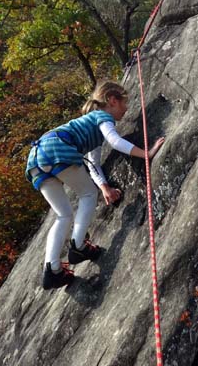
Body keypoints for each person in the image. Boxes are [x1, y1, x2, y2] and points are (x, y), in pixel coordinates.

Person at [26, 80, 165, 290]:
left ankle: (52, 269)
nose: (126, 109)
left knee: (63, 214)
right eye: (123, 103)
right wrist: (147, 153)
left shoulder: (88, 129)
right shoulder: (102, 117)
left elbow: (94, 163)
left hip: (35, 159)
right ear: (111, 100)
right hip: (56, 150)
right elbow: (115, 141)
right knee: (87, 195)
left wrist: (104, 187)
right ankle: (78, 246)